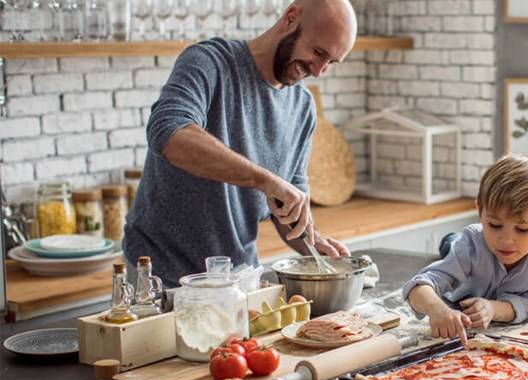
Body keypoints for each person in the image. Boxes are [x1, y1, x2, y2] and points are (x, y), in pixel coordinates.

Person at [124, 0, 357, 287]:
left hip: (237, 279)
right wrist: (264, 180)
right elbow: (168, 132)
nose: (319, 70)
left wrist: (313, 243)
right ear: (291, 18)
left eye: (331, 62)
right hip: (162, 276)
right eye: (319, 52)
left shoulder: (302, 106)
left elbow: (287, 206)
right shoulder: (210, 62)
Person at [402, 154, 528, 344]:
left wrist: (492, 308)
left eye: (522, 229)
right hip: (467, 247)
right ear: (480, 211)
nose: (506, 240)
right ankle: (450, 241)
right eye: (494, 225)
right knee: (453, 244)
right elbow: (417, 286)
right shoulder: (472, 243)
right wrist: (437, 308)